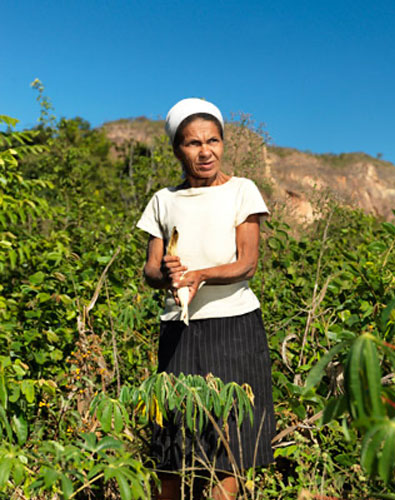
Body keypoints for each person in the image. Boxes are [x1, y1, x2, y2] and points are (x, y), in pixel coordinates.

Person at [136, 98, 275, 500]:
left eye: (213, 141)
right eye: (193, 143)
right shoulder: (164, 200)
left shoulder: (242, 191)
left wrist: (199, 275)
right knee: (172, 443)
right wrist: (167, 275)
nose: (205, 151)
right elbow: (149, 270)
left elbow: (247, 264)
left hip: (235, 327)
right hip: (181, 330)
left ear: (223, 143)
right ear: (177, 149)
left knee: (228, 444)